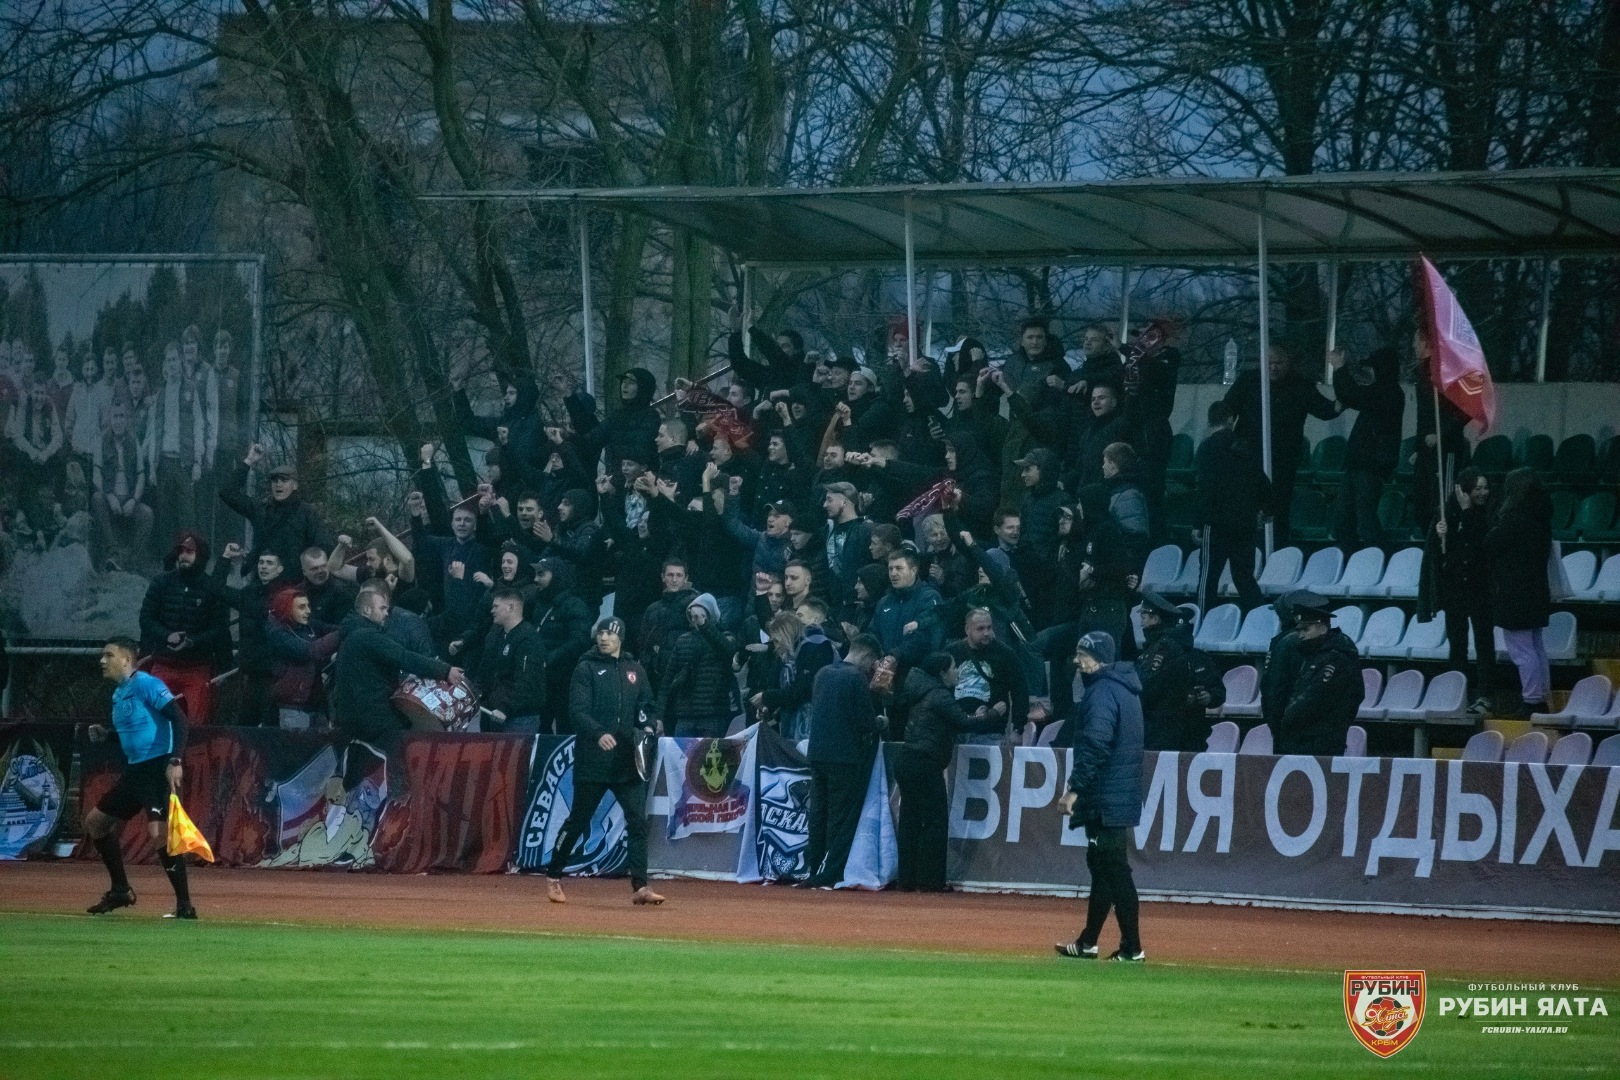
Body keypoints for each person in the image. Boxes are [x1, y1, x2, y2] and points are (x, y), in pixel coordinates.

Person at [544, 617, 663, 906]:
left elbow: (646, 705)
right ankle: (553, 875)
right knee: (578, 821)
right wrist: (598, 734)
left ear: (621, 637)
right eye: (600, 633)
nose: (604, 638)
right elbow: (578, 711)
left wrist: (648, 726)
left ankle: (641, 886)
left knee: (637, 821)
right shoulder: (585, 668)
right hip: (594, 760)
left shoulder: (635, 669)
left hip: (626, 759)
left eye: (609, 633)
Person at [83, 636, 196, 920]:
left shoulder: (147, 683)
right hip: (136, 772)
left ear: (126, 659)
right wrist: (108, 736)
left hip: (157, 767)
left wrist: (174, 761)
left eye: (108, 655)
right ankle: (121, 889)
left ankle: (185, 907)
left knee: (159, 836)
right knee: (95, 823)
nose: (102, 660)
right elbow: (137, 731)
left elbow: (179, 720)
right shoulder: (119, 694)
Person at [1054, 631, 1145, 962]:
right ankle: (1089, 941)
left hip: (1105, 795)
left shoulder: (1101, 693)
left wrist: (1073, 789)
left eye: (1082, 654)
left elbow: (1095, 744)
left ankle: (1133, 947)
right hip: (1119, 792)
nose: (1077, 661)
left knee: (1114, 869)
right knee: (1103, 867)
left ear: (1098, 659)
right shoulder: (1126, 690)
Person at [331, 582, 466, 798]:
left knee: (357, 777)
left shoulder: (349, 637)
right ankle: (397, 812)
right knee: (394, 772)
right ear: (367, 610)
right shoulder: (367, 636)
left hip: (352, 719)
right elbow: (403, 657)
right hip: (376, 719)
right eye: (383, 608)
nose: (387, 614)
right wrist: (444, 670)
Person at [894, 651, 1001, 892]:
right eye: (953, 668)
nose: (957, 673)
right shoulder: (939, 695)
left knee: (910, 820)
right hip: (925, 762)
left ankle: (906, 879)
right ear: (942, 672)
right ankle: (931, 881)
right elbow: (963, 722)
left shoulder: (919, 690)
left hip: (907, 759)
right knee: (934, 821)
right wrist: (993, 714)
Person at [1222, 344, 1341, 543]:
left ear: (1288, 363)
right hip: (1248, 455)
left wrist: (1346, 392)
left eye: (1279, 363)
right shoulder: (1248, 381)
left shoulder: (1300, 385)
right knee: (1246, 503)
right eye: (1269, 363)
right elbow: (1228, 409)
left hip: (1283, 457)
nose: (1274, 368)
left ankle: (1276, 546)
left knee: (1278, 505)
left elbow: (1325, 410)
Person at [802, 633, 884, 888]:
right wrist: (880, 718)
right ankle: (830, 872)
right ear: (868, 656)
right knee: (840, 818)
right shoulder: (856, 678)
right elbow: (865, 723)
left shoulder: (823, 673)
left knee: (818, 813)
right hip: (845, 757)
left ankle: (813, 866)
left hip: (818, 753)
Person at [138, 531, 229, 724]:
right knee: (154, 722)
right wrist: (166, 636)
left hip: (196, 667)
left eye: (189, 551)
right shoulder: (161, 582)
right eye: (181, 551)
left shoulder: (212, 588)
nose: (183, 556)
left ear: (200, 556)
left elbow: (219, 628)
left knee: (196, 725)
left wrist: (193, 641)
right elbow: (146, 619)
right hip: (163, 663)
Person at [1486, 468, 1554, 719]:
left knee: (1522, 650)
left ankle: (1533, 699)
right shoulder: (1541, 519)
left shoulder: (1515, 521)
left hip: (1515, 594)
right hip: (1536, 591)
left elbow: (1489, 545)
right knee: (1536, 647)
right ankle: (1541, 695)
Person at [1194, 400, 1271, 614]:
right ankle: (1260, 618)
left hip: (1216, 523)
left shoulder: (1207, 448)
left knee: (1208, 577)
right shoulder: (1245, 447)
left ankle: (1201, 622)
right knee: (1244, 577)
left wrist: (1198, 523)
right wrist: (1266, 510)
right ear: (1232, 420)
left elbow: (1205, 489)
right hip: (1244, 523)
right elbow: (1263, 483)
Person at [1431, 468, 1495, 712]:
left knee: (1484, 645)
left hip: (1480, 588)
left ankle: (1485, 697)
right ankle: (1456, 694)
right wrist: (1439, 536)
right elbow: (1440, 554)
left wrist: (1468, 511)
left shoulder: (1487, 513)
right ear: (1464, 489)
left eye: (1485, 487)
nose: (1482, 492)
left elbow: (1479, 540)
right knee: (1457, 646)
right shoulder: (1447, 514)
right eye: (1477, 488)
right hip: (1456, 589)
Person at [1329, 346, 1405, 551]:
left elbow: (1351, 395)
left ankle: (1374, 558)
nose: (1369, 372)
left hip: (1370, 464)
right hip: (1363, 464)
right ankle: (1358, 560)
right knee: (1347, 519)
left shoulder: (1388, 393)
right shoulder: (1388, 393)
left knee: (1363, 519)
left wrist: (1339, 369)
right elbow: (1353, 395)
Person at [218, 443, 333, 578]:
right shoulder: (260, 509)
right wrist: (249, 461)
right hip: (262, 583)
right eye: (274, 480)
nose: (278, 484)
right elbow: (227, 493)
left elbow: (323, 547)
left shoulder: (306, 513)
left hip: (294, 585)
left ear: (295, 485)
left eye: (284, 480)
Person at [1273, 594, 1362, 755]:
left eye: (1306, 629)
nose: (1301, 635)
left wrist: (1287, 718)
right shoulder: (1313, 653)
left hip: (1320, 742)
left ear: (1323, 628)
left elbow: (1315, 697)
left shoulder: (1336, 657)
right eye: (1299, 629)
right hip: (1303, 739)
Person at [659, 592, 738, 738]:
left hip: (713, 716)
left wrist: (705, 625)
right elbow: (666, 682)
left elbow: (727, 652)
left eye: (702, 614)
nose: (696, 618)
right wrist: (659, 717)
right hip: (685, 716)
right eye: (693, 615)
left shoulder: (727, 637)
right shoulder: (682, 640)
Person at [944, 608, 1027, 741]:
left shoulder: (1005, 654)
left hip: (991, 731)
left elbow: (1020, 691)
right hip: (956, 730)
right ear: (967, 630)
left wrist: (1018, 729)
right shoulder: (952, 651)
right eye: (980, 629)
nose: (986, 633)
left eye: (989, 627)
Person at [474, 586, 549, 733]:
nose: (492, 611)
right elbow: (485, 668)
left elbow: (527, 680)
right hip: (492, 713)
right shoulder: (495, 635)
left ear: (510, 607)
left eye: (496, 606)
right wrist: (478, 693)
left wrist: (506, 708)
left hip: (519, 718)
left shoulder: (528, 639)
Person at [265, 587, 340, 730]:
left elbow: (332, 629)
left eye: (308, 606)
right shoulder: (277, 633)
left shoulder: (310, 626)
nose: (308, 611)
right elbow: (307, 651)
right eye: (301, 607)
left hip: (317, 703)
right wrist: (342, 633)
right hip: (291, 706)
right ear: (287, 609)